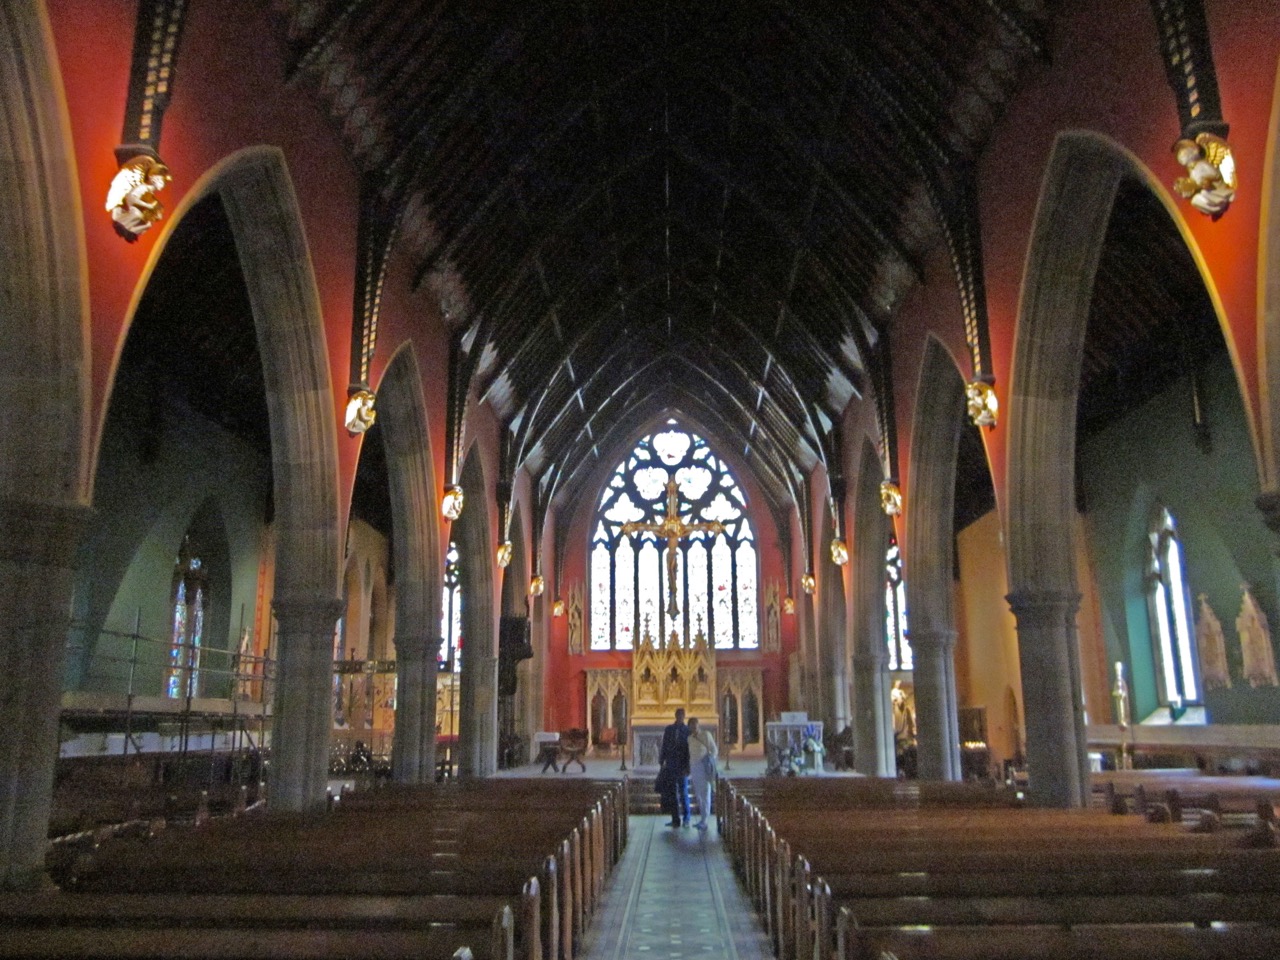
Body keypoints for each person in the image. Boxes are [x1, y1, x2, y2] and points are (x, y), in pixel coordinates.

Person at [657, 707, 690, 827]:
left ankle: (686, 818)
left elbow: (689, 750)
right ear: (676, 716)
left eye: (682, 715)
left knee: (683, 792)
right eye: (678, 715)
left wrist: (688, 767)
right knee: (672, 793)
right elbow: (664, 745)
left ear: (684, 716)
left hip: (682, 766)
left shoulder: (687, 730)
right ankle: (675, 819)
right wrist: (662, 761)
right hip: (671, 765)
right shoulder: (669, 729)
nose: (680, 717)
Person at [687, 716, 718, 830]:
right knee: (698, 794)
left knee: (705, 793)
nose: (693, 727)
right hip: (694, 768)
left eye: (695, 725)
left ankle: (705, 820)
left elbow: (714, 750)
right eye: (691, 725)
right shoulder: (690, 738)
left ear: (698, 725)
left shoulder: (705, 735)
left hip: (704, 767)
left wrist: (709, 760)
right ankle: (702, 818)